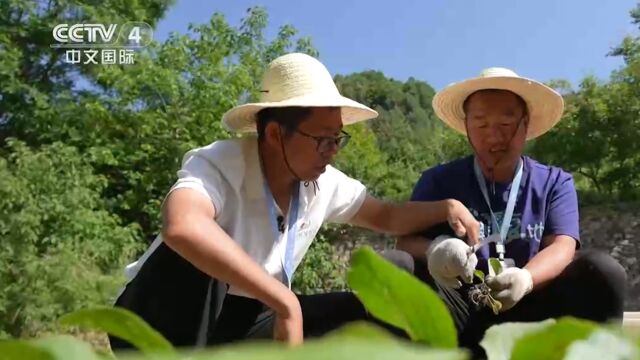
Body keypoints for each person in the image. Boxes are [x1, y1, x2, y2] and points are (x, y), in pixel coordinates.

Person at [109, 53, 480, 350]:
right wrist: (283, 302)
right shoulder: (221, 162)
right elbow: (182, 226)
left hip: (243, 320)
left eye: (338, 139)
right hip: (155, 322)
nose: (332, 152)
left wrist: (445, 207)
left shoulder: (324, 183)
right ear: (274, 134)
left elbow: (387, 216)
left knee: (360, 313)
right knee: (197, 253)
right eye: (323, 140)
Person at [396, 67, 627, 357]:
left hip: (531, 309)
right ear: (466, 126)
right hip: (458, 309)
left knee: (602, 272)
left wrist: (526, 279)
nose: (493, 137)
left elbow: (562, 246)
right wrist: (437, 249)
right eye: (480, 124)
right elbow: (404, 241)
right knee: (396, 264)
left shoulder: (555, 182)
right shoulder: (438, 181)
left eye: (506, 125)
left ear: (526, 125)